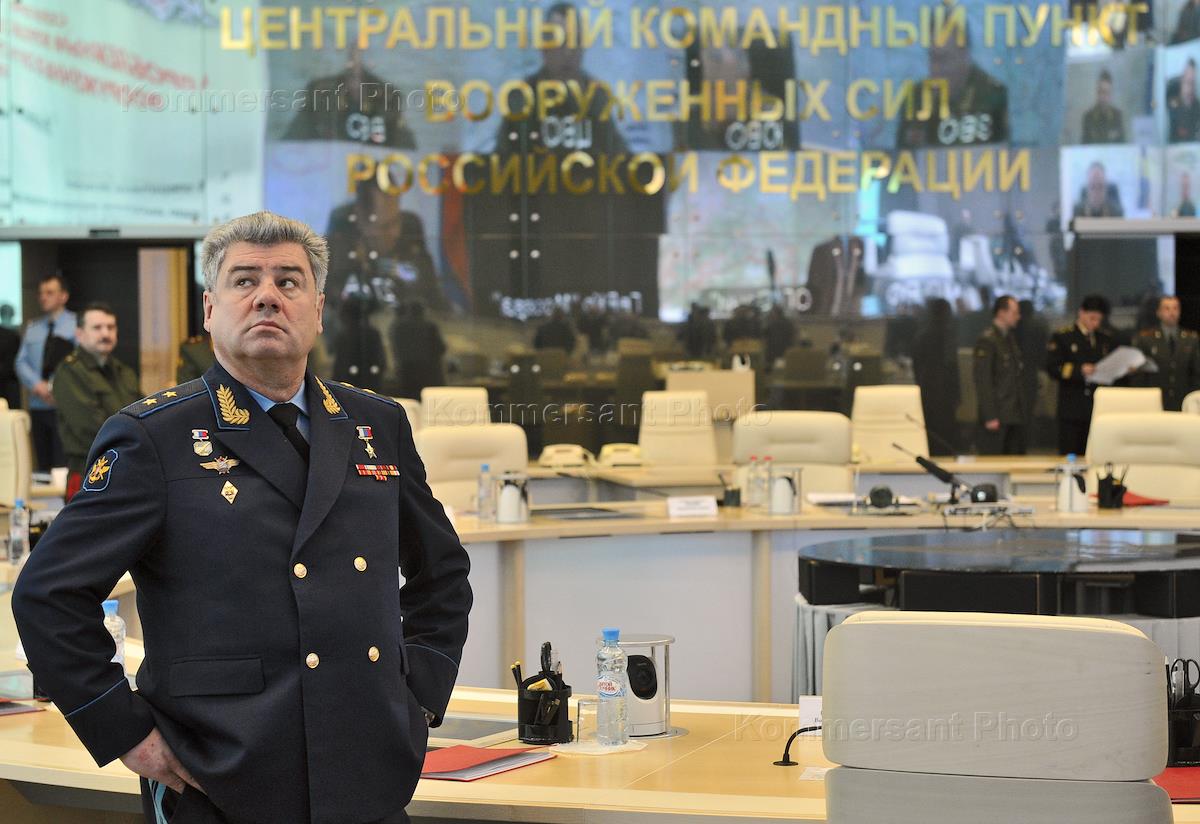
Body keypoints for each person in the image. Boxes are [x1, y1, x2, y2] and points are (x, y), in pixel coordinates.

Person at [12, 211, 472, 824]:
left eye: (289, 281)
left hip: (366, 768)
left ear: (318, 310)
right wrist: (124, 732)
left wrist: (418, 695)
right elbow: (48, 595)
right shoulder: (153, 436)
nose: (267, 297)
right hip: (221, 774)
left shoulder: (375, 424)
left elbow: (442, 573)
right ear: (210, 309)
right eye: (244, 280)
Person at [51, 303, 142, 500]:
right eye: (97, 328)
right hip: (90, 472)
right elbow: (90, 429)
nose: (105, 333)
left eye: (110, 327)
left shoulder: (124, 372)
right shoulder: (70, 372)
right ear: (79, 334)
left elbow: (144, 415)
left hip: (128, 470)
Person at [896, 26, 1009, 149]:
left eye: (943, 59)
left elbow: (1000, 153)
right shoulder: (915, 97)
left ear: (964, 55)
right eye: (932, 58)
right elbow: (903, 154)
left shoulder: (993, 94)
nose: (936, 69)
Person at [15, 273, 76, 470]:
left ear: (63, 296)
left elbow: (78, 365)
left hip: (65, 406)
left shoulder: (77, 325)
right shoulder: (33, 327)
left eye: (49, 292)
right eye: (41, 293)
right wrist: (37, 385)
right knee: (42, 463)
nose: (43, 297)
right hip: (38, 404)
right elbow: (21, 362)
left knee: (62, 464)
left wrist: (53, 387)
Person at [1046, 294, 1115, 455]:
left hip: (1096, 408)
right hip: (1072, 408)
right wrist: (1079, 370)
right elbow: (1052, 367)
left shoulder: (1104, 339)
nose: (1095, 323)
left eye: (1098, 320)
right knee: (1070, 455)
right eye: (1092, 318)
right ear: (1081, 313)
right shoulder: (1064, 337)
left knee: (1094, 454)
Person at [973, 295, 1028, 455]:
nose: (1018, 317)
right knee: (994, 458)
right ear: (1001, 313)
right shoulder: (988, 340)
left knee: (1015, 459)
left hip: (1013, 414)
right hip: (998, 415)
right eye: (1014, 313)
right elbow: (983, 380)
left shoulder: (1009, 338)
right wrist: (990, 416)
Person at [912, 298, 961, 455]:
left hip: (927, 388)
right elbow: (951, 366)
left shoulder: (922, 335)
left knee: (930, 432)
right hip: (945, 390)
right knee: (946, 433)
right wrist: (957, 393)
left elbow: (916, 365)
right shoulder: (948, 336)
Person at [1135, 295, 1200, 410]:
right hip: (1155, 400)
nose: (1172, 312)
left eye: (1175, 308)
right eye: (1167, 308)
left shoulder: (1191, 338)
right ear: (1158, 312)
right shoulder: (1146, 338)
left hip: (1183, 400)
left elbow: (1196, 373)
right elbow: (1140, 375)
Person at [391, 300, 447, 400]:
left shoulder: (398, 327)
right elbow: (440, 348)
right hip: (428, 373)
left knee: (408, 402)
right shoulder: (430, 326)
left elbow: (396, 350)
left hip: (406, 372)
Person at [1081, 70, 1125, 144]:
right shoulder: (1088, 117)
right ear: (1097, 93)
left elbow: (1122, 144)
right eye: (1100, 92)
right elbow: (1084, 146)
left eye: (1106, 92)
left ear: (1111, 94)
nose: (1103, 97)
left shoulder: (1117, 116)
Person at [1168, 59, 1200, 144]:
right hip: (1174, 146)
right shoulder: (1174, 101)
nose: (1190, 88)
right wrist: (1184, 99)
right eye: (1188, 82)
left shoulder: (1197, 105)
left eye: (1192, 83)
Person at [763, 305, 796, 369]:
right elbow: (792, 335)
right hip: (784, 349)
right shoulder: (788, 323)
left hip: (773, 350)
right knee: (781, 368)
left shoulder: (772, 323)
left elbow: (765, 333)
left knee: (771, 368)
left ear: (775, 313)